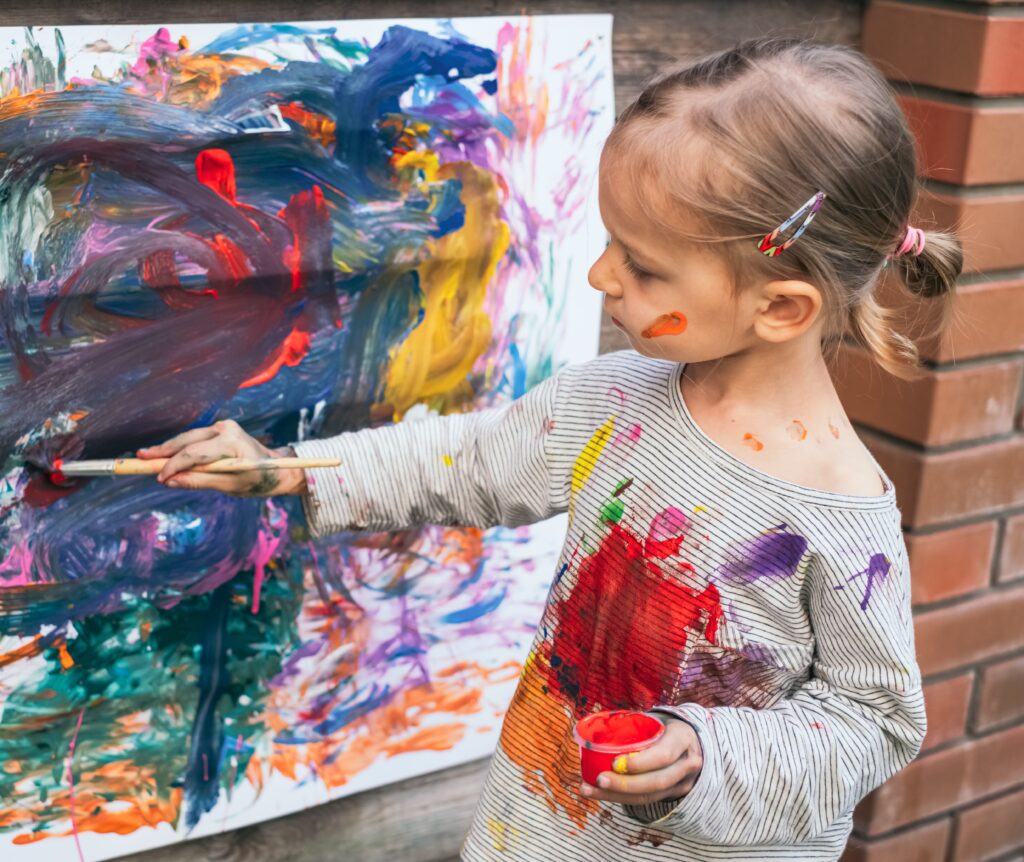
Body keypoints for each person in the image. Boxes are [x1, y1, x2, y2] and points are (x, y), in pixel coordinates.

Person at [141, 37, 961, 862]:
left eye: (641, 266)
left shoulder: (844, 517)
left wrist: (707, 756)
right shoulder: (616, 401)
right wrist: (288, 468)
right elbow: (466, 460)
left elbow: (876, 722)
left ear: (781, 307)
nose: (604, 276)